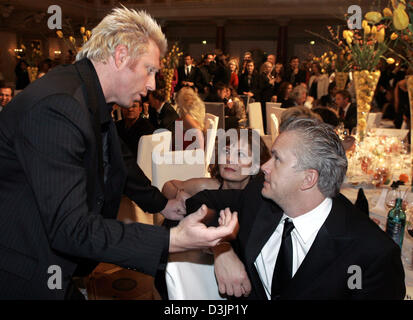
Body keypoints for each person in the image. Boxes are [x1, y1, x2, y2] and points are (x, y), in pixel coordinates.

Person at [0, 7, 238, 299]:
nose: (152, 84)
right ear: (121, 55)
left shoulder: (85, 93)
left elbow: (117, 158)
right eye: (149, 70)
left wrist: (161, 203)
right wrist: (172, 239)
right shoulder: (59, 106)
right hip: (20, 268)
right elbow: (71, 228)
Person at [187, 117, 405, 300]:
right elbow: (200, 203)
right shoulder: (259, 198)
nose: (264, 166)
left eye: (277, 159)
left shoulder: (372, 255)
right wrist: (222, 250)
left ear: (308, 179)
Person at [160, 128, 271, 299]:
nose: (229, 159)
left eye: (240, 154)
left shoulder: (257, 198)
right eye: (226, 151)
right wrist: (179, 195)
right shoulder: (208, 186)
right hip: (199, 267)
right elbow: (168, 185)